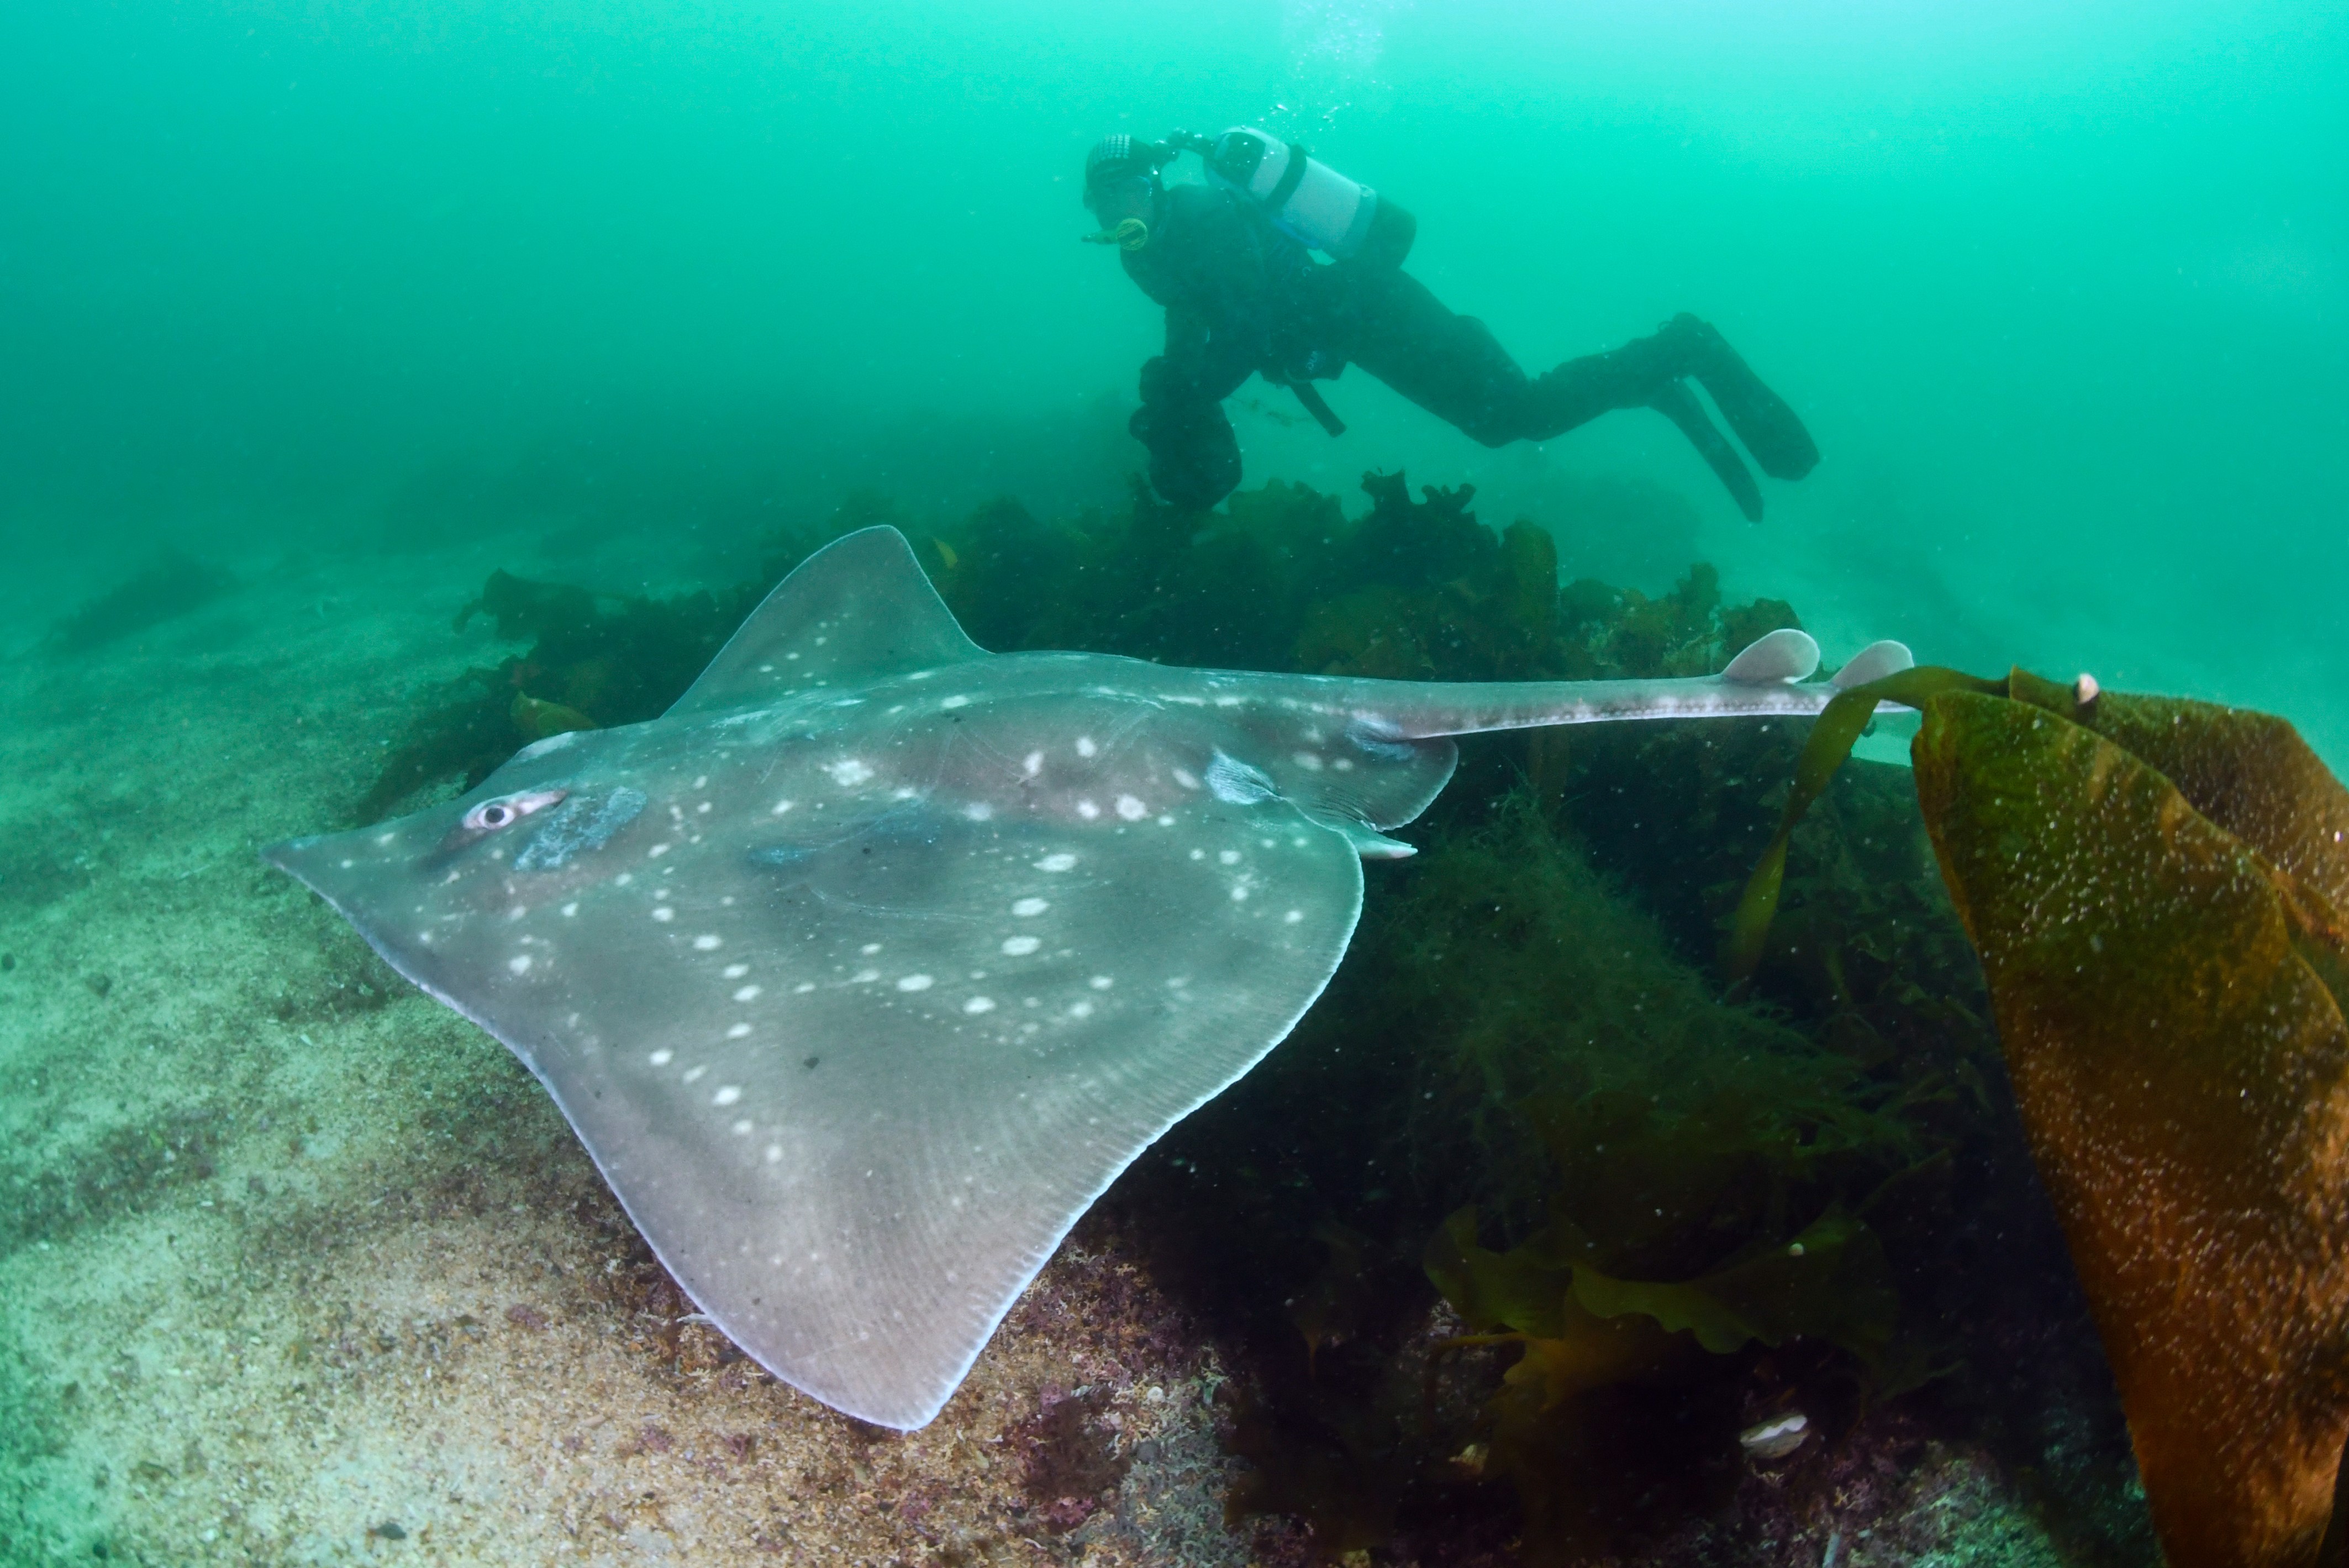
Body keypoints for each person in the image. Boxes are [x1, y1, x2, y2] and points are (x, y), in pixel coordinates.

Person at [1081, 131, 1819, 519]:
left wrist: (1198, 385)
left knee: (1516, 414)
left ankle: (1681, 347)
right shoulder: (1144, 261)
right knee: (1507, 418)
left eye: (1128, 193)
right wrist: (1180, 385)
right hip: (1351, 332)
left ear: (1153, 182)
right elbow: (1193, 318)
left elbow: (1243, 322)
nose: (1120, 214)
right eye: (1104, 205)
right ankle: (1647, 379)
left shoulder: (1203, 216)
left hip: (1375, 309)